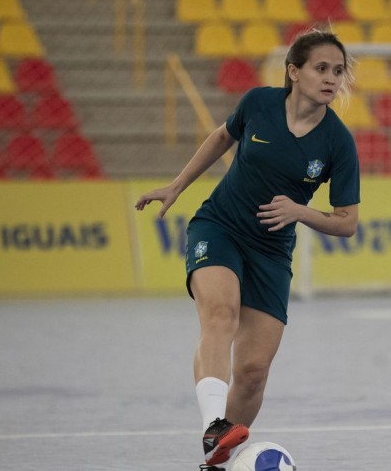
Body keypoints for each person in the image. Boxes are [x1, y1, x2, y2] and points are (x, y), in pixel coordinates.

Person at [135, 29, 360, 469]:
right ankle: (214, 426)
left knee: (254, 372)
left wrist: (299, 211)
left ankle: (214, 463)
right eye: (321, 68)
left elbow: (346, 223)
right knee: (220, 314)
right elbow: (222, 137)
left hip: (272, 252)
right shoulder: (258, 103)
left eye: (338, 71)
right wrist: (177, 186)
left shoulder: (338, 142)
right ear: (293, 72)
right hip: (219, 226)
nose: (331, 78)